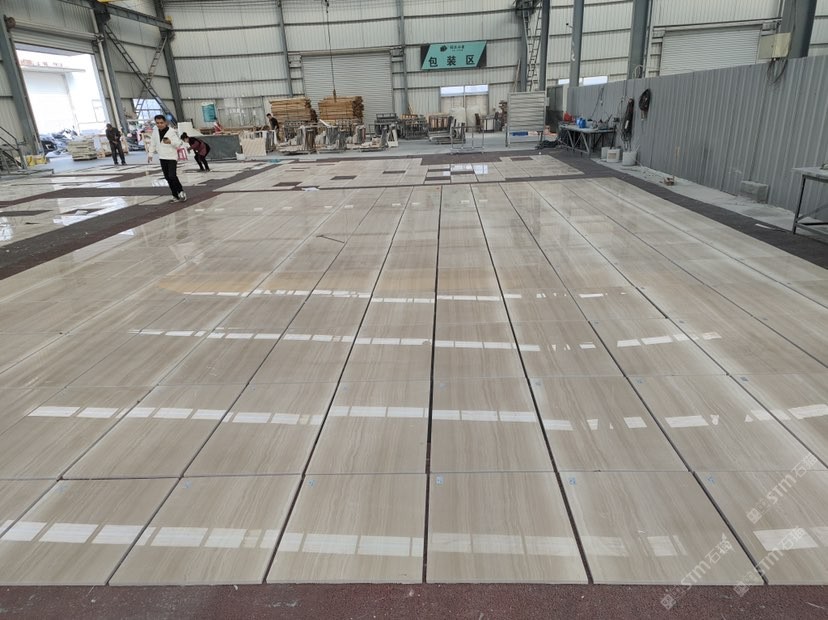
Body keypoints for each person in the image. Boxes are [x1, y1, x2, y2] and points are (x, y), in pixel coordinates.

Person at [147, 114, 186, 202]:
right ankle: (175, 195)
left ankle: (181, 191)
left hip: (171, 157)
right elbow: (153, 143)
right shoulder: (155, 131)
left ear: (165, 122)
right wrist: (150, 154)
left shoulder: (171, 132)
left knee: (172, 176)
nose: (159, 125)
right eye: (157, 123)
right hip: (162, 157)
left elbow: (179, 144)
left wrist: (170, 142)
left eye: (161, 123)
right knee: (167, 177)